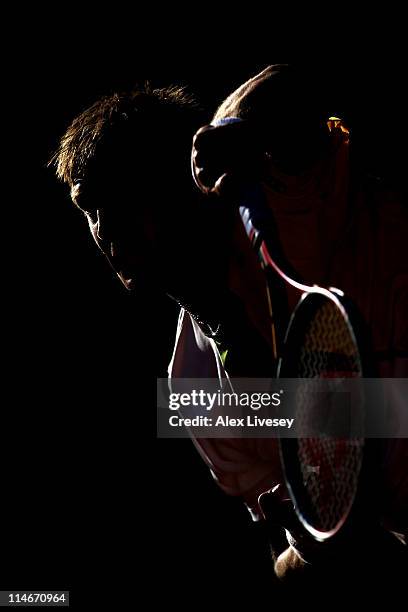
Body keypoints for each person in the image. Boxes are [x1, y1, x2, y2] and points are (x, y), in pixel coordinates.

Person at [51, 70, 407, 584]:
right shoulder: (190, 384)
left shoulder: (290, 200)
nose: (106, 226)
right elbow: (286, 561)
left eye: (122, 190)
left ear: (178, 177)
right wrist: (309, 547)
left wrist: (232, 123)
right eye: (90, 207)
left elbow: (289, 86)